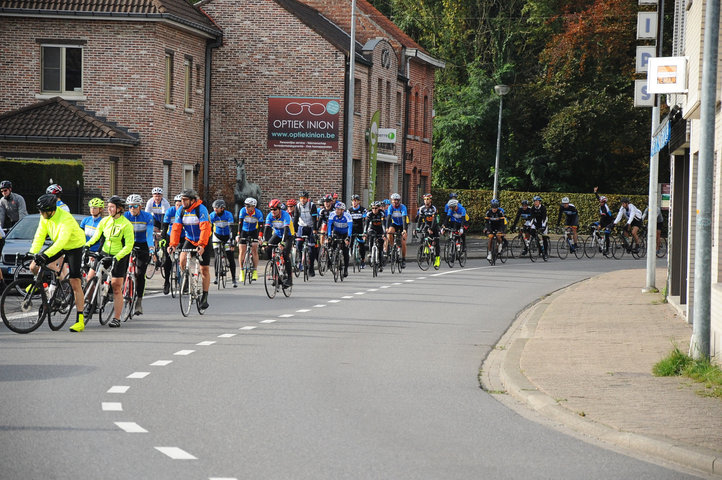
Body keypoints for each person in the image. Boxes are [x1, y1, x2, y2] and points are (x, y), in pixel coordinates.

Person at [29, 194, 86, 332]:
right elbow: (39, 235)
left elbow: (62, 242)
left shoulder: (66, 218)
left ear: (51, 210)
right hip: (59, 244)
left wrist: (45, 255)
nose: (41, 214)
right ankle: (43, 286)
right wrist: (33, 253)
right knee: (33, 266)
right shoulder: (45, 217)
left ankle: (80, 320)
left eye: (43, 211)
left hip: (74, 246)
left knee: (75, 282)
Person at [85, 196, 135, 328]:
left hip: (119, 256)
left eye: (112, 207)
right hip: (104, 253)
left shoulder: (126, 224)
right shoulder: (104, 221)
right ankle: (90, 304)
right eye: (108, 207)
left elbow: (128, 246)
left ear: (119, 209)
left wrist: (117, 257)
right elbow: (96, 237)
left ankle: (116, 318)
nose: (109, 209)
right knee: (90, 277)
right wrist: (86, 246)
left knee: (116, 286)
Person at [168, 189, 212, 310]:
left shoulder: (201, 209)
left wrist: (202, 245)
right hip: (190, 239)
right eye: (182, 200)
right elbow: (176, 229)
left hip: (204, 240)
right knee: (182, 260)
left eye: (185, 200)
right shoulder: (181, 211)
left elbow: (205, 228)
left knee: (204, 269)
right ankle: (188, 278)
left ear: (192, 200)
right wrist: (172, 244)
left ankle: (205, 296)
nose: (183, 202)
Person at [124, 194, 155, 315]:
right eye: (130, 206)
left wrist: (151, 247)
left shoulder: (147, 216)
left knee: (140, 274)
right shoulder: (125, 216)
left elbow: (149, 233)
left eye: (135, 206)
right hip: (128, 243)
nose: (132, 209)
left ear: (140, 207)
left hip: (143, 244)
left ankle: (139, 301)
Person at [263, 198, 295, 287]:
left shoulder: (285, 215)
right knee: (268, 249)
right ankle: (275, 270)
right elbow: (267, 229)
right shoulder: (269, 216)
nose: (273, 211)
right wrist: (265, 242)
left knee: (285, 254)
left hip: (288, 235)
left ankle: (289, 279)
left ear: (279, 209)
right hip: (277, 234)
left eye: (275, 209)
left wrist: (283, 243)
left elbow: (286, 230)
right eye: (271, 209)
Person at [210, 199, 237, 287]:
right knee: (217, 256)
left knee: (230, 257)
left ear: (222, 208)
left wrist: (232, 241)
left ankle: (233, 279)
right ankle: (216, 277)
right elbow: (208, 228)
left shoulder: (228, 215)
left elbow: (231, 229)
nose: (215, 209)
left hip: (227, 236)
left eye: (217, 208)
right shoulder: (212, 215)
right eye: (214, 208)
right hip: (217, 236)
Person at [236, 197, 264, 282]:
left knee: (254, 249)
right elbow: (240, 224)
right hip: (244, 231)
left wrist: (260, 237)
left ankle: (255, 270)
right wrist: (238, 235)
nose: (246, 207)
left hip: (253, 231)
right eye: (245, 205)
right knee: (242, 250)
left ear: (253, 206)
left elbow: (261, 226)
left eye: (248, 206)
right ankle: (241, 271)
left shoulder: (258, 213)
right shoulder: (243, 211)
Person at [160, 194, 183, 294]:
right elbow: (164, 227)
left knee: (184, 257)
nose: (179, 207)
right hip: (171, 236)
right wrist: (163, 239)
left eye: (181, 205)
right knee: (168, 260)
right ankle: (166, 282)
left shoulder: (186, 212)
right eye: (177, 205)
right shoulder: (170, 211)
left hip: (183, 236)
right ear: (175, 205)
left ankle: (185, 280)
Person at [292, 191, 318, 277]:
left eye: (304, 198)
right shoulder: (297, 206)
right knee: (299, 243)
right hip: (301, 227)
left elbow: (314, 219)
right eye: (301, 198)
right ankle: (300, 258)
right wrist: (294, 231)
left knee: (311, 249)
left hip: (310, 227)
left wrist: (314, 230)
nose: (302, 200)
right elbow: (295, 219)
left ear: (307, 199)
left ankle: (311, 268)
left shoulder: (312, 205)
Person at [415, 193, 441, 268]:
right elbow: (420, 219)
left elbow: (434, 220)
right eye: (425, 199)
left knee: (436, 243)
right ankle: (425, 248)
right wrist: (417, 228)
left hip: (434, 226)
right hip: (426, 225)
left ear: (430, 200)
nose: (426, 201)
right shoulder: (422, 208)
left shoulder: (434, 208)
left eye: (427, 199)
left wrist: (431, 229)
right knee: (423, 237)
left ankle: (437, 259)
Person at [327, 201, 352, 277]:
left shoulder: (347, 216)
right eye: (336, 209)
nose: (337, 211)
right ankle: (333, 257)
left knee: (345, 251)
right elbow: (329, 225)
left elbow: (350, 227)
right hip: (336, 232)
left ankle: (346, 269)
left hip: (345, 233)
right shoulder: (332, 214)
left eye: (339, 209)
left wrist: (348, 237)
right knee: (333, 243)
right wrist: (329, 235)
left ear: (342, 210)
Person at [385, 193, 409, 268]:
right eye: (394, 200)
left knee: (403, 242)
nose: (395, 202)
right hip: (395, 224)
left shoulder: (402, 207)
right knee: (389, 232)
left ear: (399, 201)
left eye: (397, 200)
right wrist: (386, 228)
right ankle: (392, 248)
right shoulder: (391, 207)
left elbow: (404, 218)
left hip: (403, 224)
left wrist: (404, 229)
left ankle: (404, 259)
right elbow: (388, 217)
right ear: (392, 201)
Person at [364, 201, 386, 271]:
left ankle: (380, 264)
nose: (374, 210)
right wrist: (365, 232)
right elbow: (366, 224)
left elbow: (383, 224)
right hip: (372, 229)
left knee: (380, 246)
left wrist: (384, 233)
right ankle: (370, 252)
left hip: (380, 229)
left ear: (379, 208)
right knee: (371, 237)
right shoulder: (369, 214)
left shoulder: (381, 214)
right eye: (373, 208)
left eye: (376, 208)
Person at [593, 187, 614, 255]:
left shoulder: (605, 207)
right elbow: (598, 198)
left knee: (607, 233)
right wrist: (595, 192)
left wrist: (600, 225)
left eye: (602, 202)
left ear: (604, 202)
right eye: (600, 202)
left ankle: (607, 249)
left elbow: (602, 217)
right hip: (604, 221)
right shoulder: (602, 204)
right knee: (592, 226)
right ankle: (600, 239)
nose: (600, 203)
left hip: (609, 222)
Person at [348, 194, 367, 268]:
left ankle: (363, 260)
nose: (354, 202)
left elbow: (365, 221)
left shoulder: (363, 210)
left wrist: (364, 232)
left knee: (362, 245)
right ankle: (350, 253)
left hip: (360, 229)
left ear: (358, 202)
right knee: (350, 242)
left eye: (355, 201)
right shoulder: (349, 211)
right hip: (352, 228)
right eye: (353, 201)